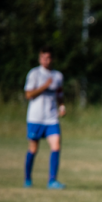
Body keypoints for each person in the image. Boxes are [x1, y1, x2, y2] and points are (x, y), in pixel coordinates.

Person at [24, 46, 66, 189]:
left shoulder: (58, 76)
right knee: (33, 149)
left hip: (51, 118)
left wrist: (62, 107)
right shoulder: (34, 74)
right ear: (39, 58)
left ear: (52, 59)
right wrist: (44, 86)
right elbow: (28, 95)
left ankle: (52, 180)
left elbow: (60, 94)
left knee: (56, 146)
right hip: (35, 118)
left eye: (48, 58)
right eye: (43, 58)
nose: (46, 61)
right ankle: (28, 179)